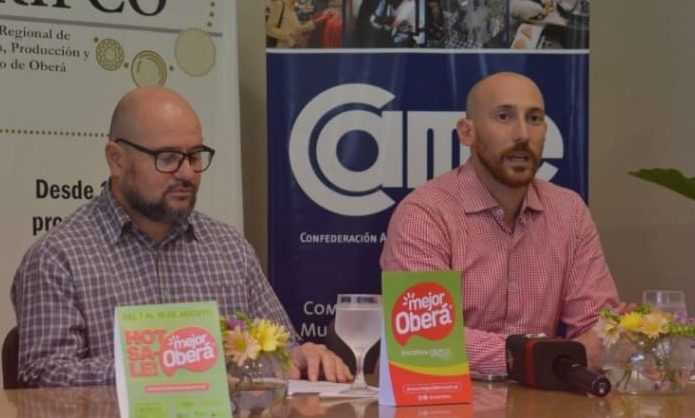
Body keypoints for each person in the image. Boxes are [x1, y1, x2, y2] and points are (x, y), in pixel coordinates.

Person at [11, 87, 352, 387]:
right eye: (168, 158)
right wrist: (172, 370)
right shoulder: (58, 257)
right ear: (116, 159)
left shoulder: (229, 249)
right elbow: (47, 376)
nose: (187, 173)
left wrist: (299, 355)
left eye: (194, 156)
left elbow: (278, 348)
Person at [380, 72, 619, 375]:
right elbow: (426, 339)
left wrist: (579, 350)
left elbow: (601, 330)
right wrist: (546, 356)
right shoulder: (425, 213)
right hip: (443, 395)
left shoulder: (569, 211)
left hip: (543, 396)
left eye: (534, 119)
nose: (522, 134)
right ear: (467, 132)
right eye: (504, 117)